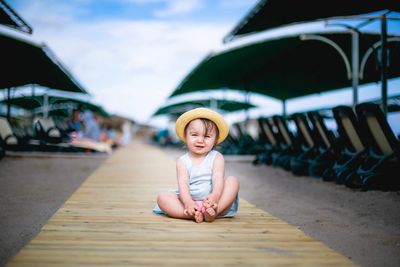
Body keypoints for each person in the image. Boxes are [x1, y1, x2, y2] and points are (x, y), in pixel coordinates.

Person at [153, 107, 240, 223]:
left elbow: (218, 178)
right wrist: (188, 202)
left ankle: (215, 211)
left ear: (215, 140)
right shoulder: (182, 161)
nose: (200, 140)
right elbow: (183, 184)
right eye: (194, 135)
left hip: (215, 201)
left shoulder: (216, 157)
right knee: (162, 197)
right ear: (186, 136)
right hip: (190, 200)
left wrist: (215, 196)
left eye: (207, 136)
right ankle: (191, 214)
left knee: (233, 181)